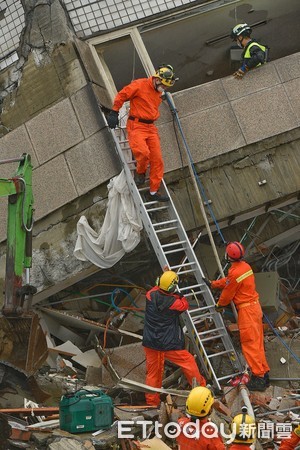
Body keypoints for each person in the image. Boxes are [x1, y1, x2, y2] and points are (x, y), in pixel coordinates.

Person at [203, 241, 270, 391]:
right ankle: (264, 374)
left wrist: (219, 305)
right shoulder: (245, 267)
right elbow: (229, 281)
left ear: (229, 256)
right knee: (257, 343)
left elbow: (228, 292)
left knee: (250, 345)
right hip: (255, 308)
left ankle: (258, 378)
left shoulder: (235, 272)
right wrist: (213, 284)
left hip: (246, 311)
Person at [106, 65, 177, 202]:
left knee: (157, 160)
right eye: (163, 85)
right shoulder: (139, 85)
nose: (164, 89)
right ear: (156, 80)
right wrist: (114, 111)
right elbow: (122, 95)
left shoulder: (158, 92)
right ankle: (140, 172)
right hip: (137, 125)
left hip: (151, 127)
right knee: (143, 153)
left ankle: (153, 191)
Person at [142, 270, 206, 406]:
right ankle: (201, 389)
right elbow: (185, 304)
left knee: (153, 373)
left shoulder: (149, 295)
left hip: (150, 341)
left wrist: (165, 277)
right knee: (188, 361)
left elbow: (157, 288)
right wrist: (178, 294)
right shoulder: (174, 303)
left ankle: (152, 402)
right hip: (167, 344)